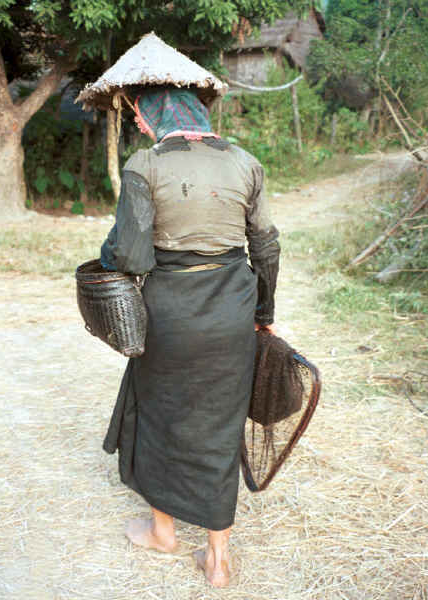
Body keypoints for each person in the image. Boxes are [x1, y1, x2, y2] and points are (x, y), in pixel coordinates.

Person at [100, 87, 280, 588]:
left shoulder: (145, 164)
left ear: (158, 115)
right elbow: (265, 246)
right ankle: (218, 558)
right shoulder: (246, 162)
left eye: (141, 114)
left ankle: (163, 532)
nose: (138, 125)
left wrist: (109, 247)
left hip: (170, 313)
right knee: (221, 425)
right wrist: (262, 313)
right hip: (233, 310)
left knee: (162, 414)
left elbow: (132, 257)